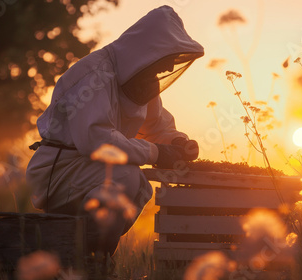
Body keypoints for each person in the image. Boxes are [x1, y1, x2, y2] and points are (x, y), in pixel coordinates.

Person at [26, 5, 203, 255]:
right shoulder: (94, 75)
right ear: (150, 50)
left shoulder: (140, 78)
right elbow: (97, 142)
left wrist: (178, 143)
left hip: (86, 170)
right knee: (125, 177)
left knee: (140, 186)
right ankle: (90, 258)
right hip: (58, 171)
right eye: (167, 59)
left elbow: (156, 127)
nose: (167, 68)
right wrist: (156, 153)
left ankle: (87, 254)